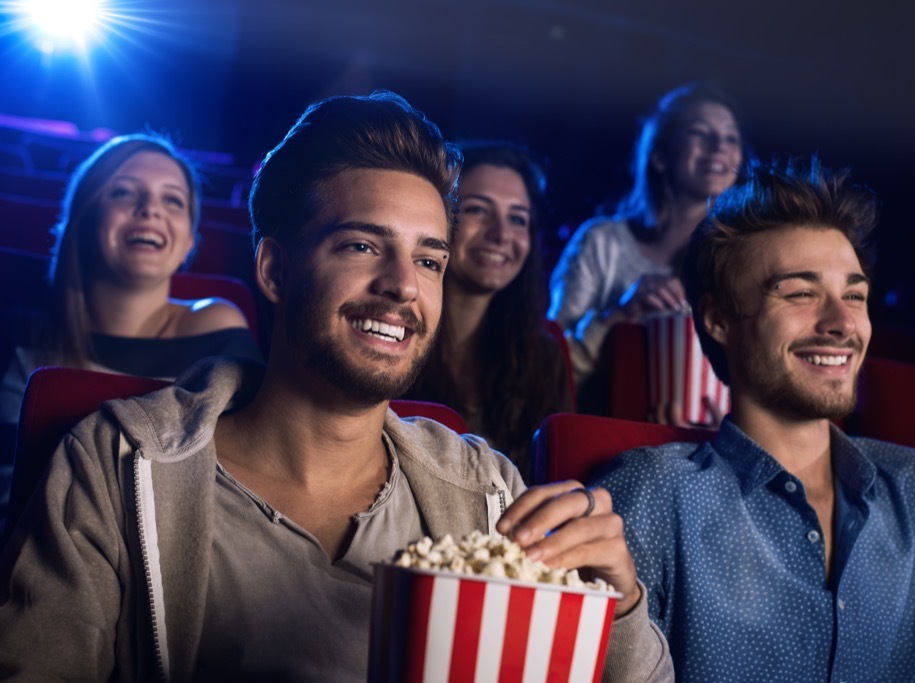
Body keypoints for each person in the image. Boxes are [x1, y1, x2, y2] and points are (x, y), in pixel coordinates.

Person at [0, 92, 672, 681]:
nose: (404, 286)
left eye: (429, 259)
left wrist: (622, 604)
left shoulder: (485, 489)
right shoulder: (116, 465)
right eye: (361, 245)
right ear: (273, 268)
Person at [591, 158, 915, 680]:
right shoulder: (652, 492)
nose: (842, 323)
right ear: (719, 319)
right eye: (800, 293)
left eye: (855, 296)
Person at [0, 133, 261, 527]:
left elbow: (244, 490)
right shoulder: (16, 331)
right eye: (123, 192)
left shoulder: (219, 330)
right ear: (83, 219)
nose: (150, 210)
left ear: (189, 238)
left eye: (172, 199)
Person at [548, 82, 745, 413]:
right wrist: (623, 314)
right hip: (605, 436)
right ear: (659, 155)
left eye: (731, 138)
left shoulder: (746, 258)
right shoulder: (602, 242)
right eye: (700, 133)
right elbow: (547, 369)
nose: (718, 146)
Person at [405, 142, 573, 481]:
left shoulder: (545, 353)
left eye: (517, 219)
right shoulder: (395, 330)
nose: (500, 234)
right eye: (478, 210)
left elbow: (557, 477)